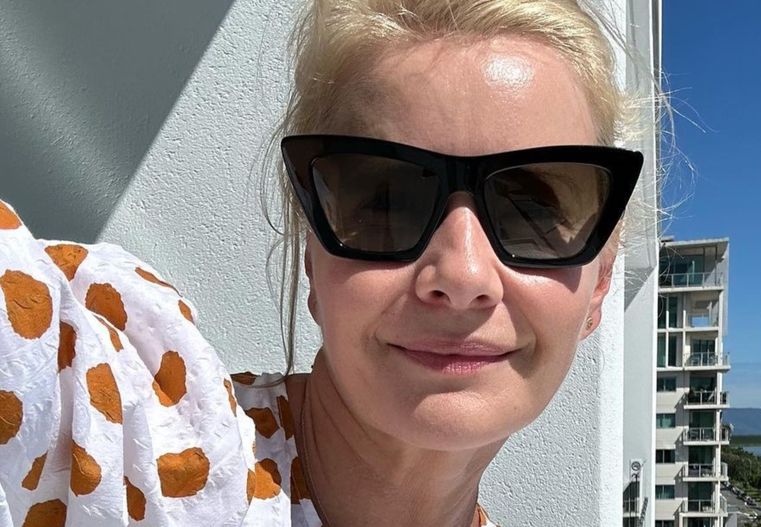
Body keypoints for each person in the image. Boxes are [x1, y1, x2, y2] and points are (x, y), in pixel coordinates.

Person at [0, 0, 648, 525]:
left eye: (531, 210)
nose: (463, 275)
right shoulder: (141, 451)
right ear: (313, 254)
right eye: (386, 201)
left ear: (599, 282)